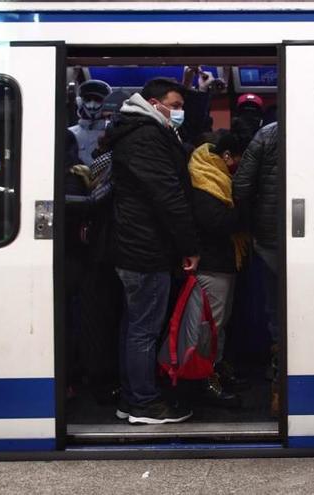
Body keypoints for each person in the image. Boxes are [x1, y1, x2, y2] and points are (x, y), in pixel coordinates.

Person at [104, 77, 200, 424]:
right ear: (153, 102)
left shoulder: (141, 130)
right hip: (145, 248)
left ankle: (132, 398)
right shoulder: (146, 136)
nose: (180, 112)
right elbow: (168, 196)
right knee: (144, 329)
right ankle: (143, 402)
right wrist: (189, 246)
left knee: (135, 327)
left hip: (136, 245)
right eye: (174, 106)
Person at [187, 131, 250, 403]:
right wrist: (243, 212)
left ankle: (213, 370)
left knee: (217, 325)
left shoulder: (217, 176)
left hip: (223, 262)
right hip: (212, 263)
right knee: (208, 326)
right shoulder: (205, 181)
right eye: (237, 159)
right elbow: (217, 222)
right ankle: (202, 380)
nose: (238, 165)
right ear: (225, 156)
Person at [233, 121, 280, 415]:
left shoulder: (265, 134)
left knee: (276, 312)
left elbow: (242, 186)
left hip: (270, 237)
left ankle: (278, 383)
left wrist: (250, 224)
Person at [69, 79, 112, 165]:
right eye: (88, 99)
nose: (92, 105)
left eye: (98, 99)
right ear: (80, 102)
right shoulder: (70, 133)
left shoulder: (113, 132)